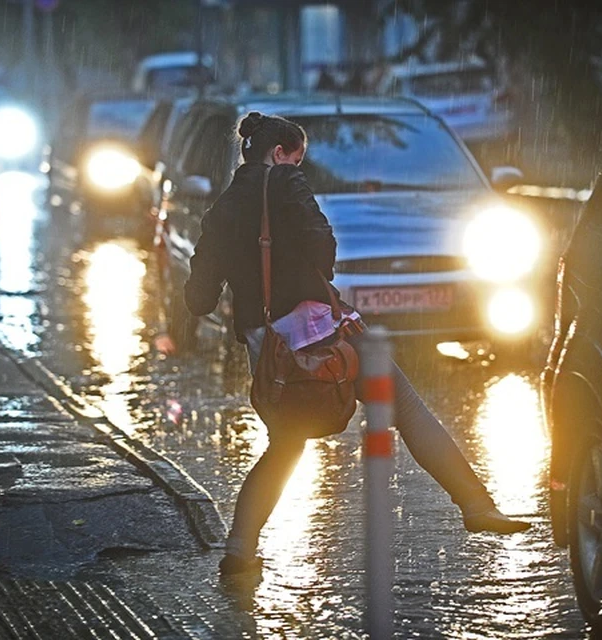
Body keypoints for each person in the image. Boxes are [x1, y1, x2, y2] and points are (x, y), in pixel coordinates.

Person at [184, 111, 531, 576]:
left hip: (270, 354)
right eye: (297, 159)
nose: (298, 167)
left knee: (284, 445)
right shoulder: (288, 183)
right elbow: (323, 251)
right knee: (403, 404)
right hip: (324, 336)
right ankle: (476, 505)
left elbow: (199, 300)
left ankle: (240, 550)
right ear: (280, 154)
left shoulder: (221, 209)